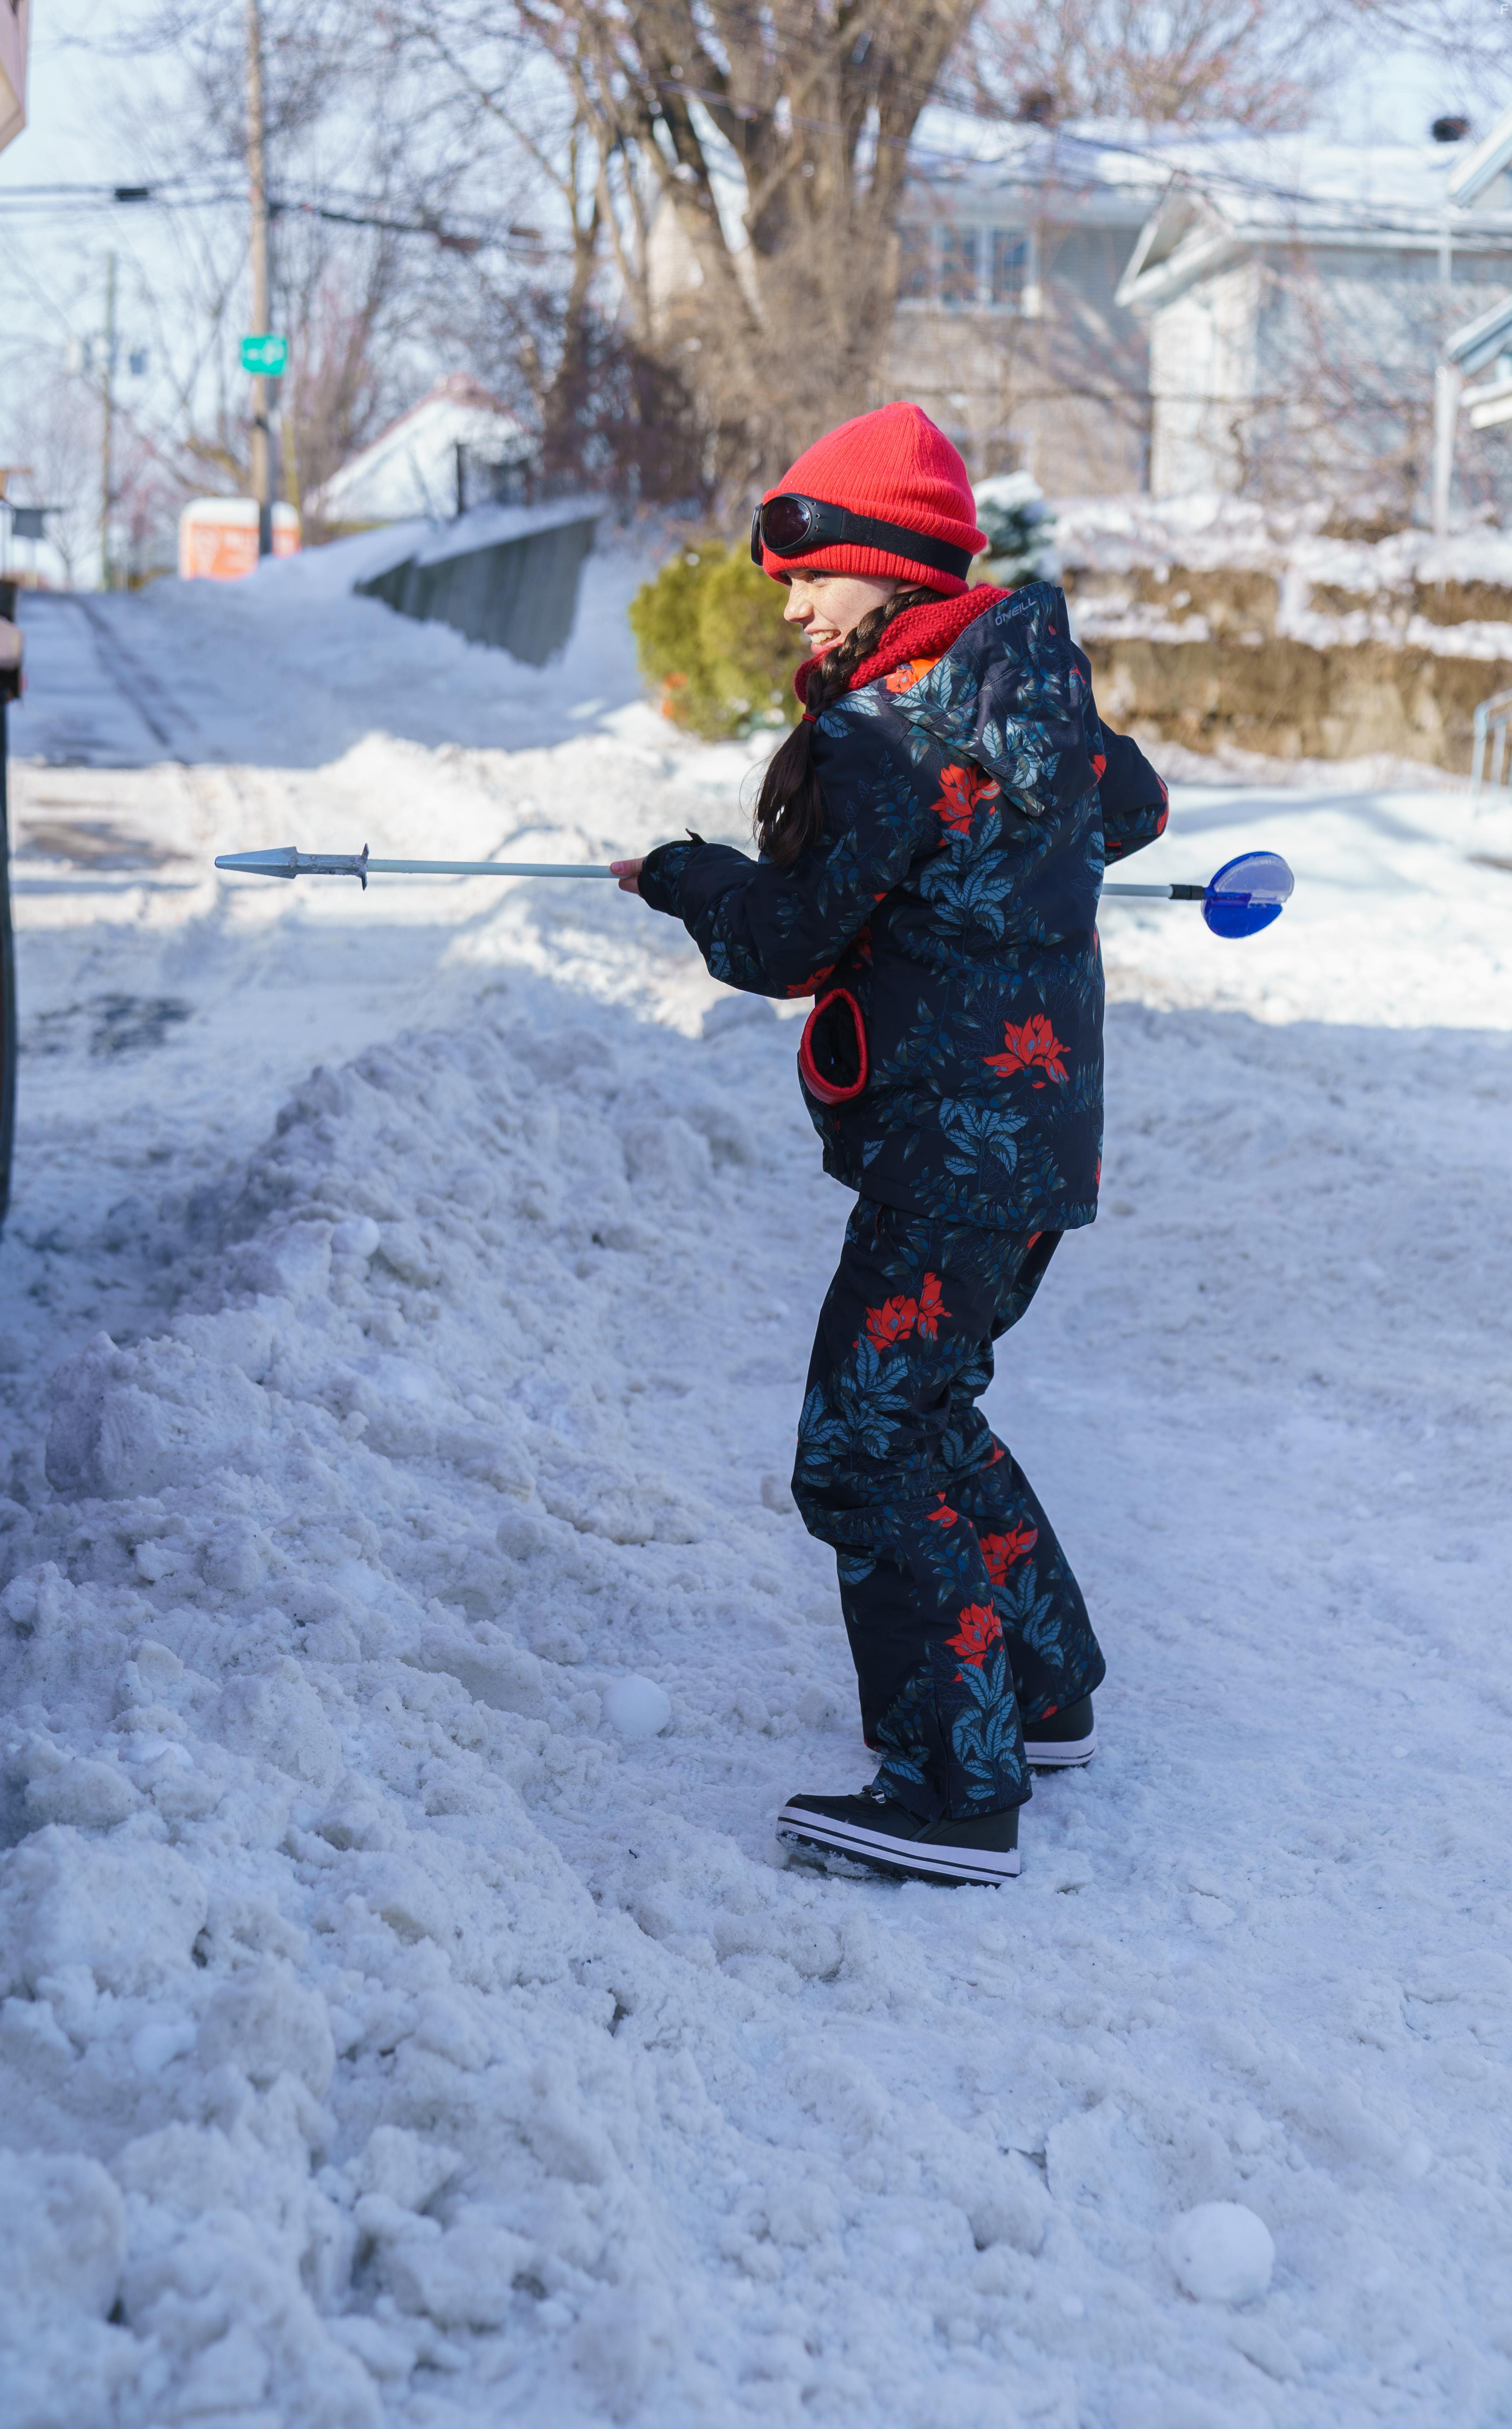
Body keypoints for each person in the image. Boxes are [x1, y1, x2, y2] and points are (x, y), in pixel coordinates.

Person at [612, 402, 1168, 1887]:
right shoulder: (1033, 688)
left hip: (941, 1156)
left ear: (891, 569)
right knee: (929, 1408)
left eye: (812, 578)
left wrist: (682, 875)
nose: (792, 606)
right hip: (1040, 1153)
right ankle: (1044, 1688)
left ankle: (951, 1784)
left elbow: (787, 939)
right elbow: (1138, 807)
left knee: (857, 1454)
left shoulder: (879, 733)